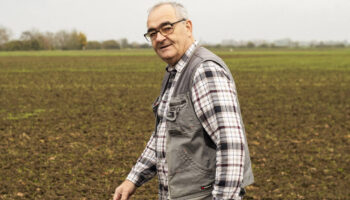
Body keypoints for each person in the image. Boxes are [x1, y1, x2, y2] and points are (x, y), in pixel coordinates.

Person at [113, 2, 254, 200]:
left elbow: (230, 144)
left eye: (167, 28)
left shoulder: (205, 71)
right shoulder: (175, 73)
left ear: (188, 27)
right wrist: (133, 179)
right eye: (153, 33)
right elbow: (164, 134)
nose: (160, 38)